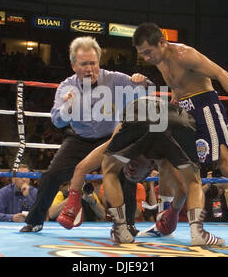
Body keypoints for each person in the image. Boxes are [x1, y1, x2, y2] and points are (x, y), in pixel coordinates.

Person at [132, 22, 228, 242]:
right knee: (167, 161)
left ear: (162, 42)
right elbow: (178, 87)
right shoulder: (159, 59)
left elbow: (220, 72)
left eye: (148, 52)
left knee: (226, 162)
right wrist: (173, 107)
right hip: (183, 112)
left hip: (205, 107)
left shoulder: (185, 54)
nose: (147, 58)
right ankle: (164, 220)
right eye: (142, 54)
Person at [20, 36, 153, 233]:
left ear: (99, 61)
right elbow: (57, 121)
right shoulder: (66, 86)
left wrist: (141, 80)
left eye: (93, 63)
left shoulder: (114, 79)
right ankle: (35, 220)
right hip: (79, 139)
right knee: (52, 175)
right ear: (74, 65)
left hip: (110, 138)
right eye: (84, 64)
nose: (89, 68)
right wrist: (68, 107)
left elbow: (148, 89)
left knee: (127, 172)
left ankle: (128, 224)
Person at [59, 96, 224, 245]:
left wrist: (74, 201)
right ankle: (197, 232)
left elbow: (82, 168)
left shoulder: (130, 142)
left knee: (109, 170)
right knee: (193, 181)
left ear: (151, 167)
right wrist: (173, 212)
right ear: (152, 165)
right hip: (176, 120)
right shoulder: (163, 159)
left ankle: (120, 228)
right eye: (132, 172)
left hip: (144, 111)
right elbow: (182, 190)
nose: (130, 168)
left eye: (131, 171)